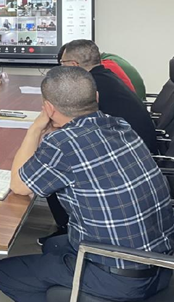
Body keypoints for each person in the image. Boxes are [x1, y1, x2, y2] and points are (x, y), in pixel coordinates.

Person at [0, 66, 174, 302]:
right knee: (54, 245)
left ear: (49, 109)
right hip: (161, 265)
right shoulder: (119, 125)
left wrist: (34, 129)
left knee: (4, 273)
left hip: (121, 279)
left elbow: (19, 186)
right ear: (96, 97)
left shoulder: (62, 144)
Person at [40, 40, 160, 244]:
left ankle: (65, 228)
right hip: (136, 154)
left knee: (57, 162)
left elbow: (73, 130)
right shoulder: (104, 77)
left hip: (125, 161)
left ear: (74, 65)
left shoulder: (89, 88)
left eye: (62, 63)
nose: (61, 68)